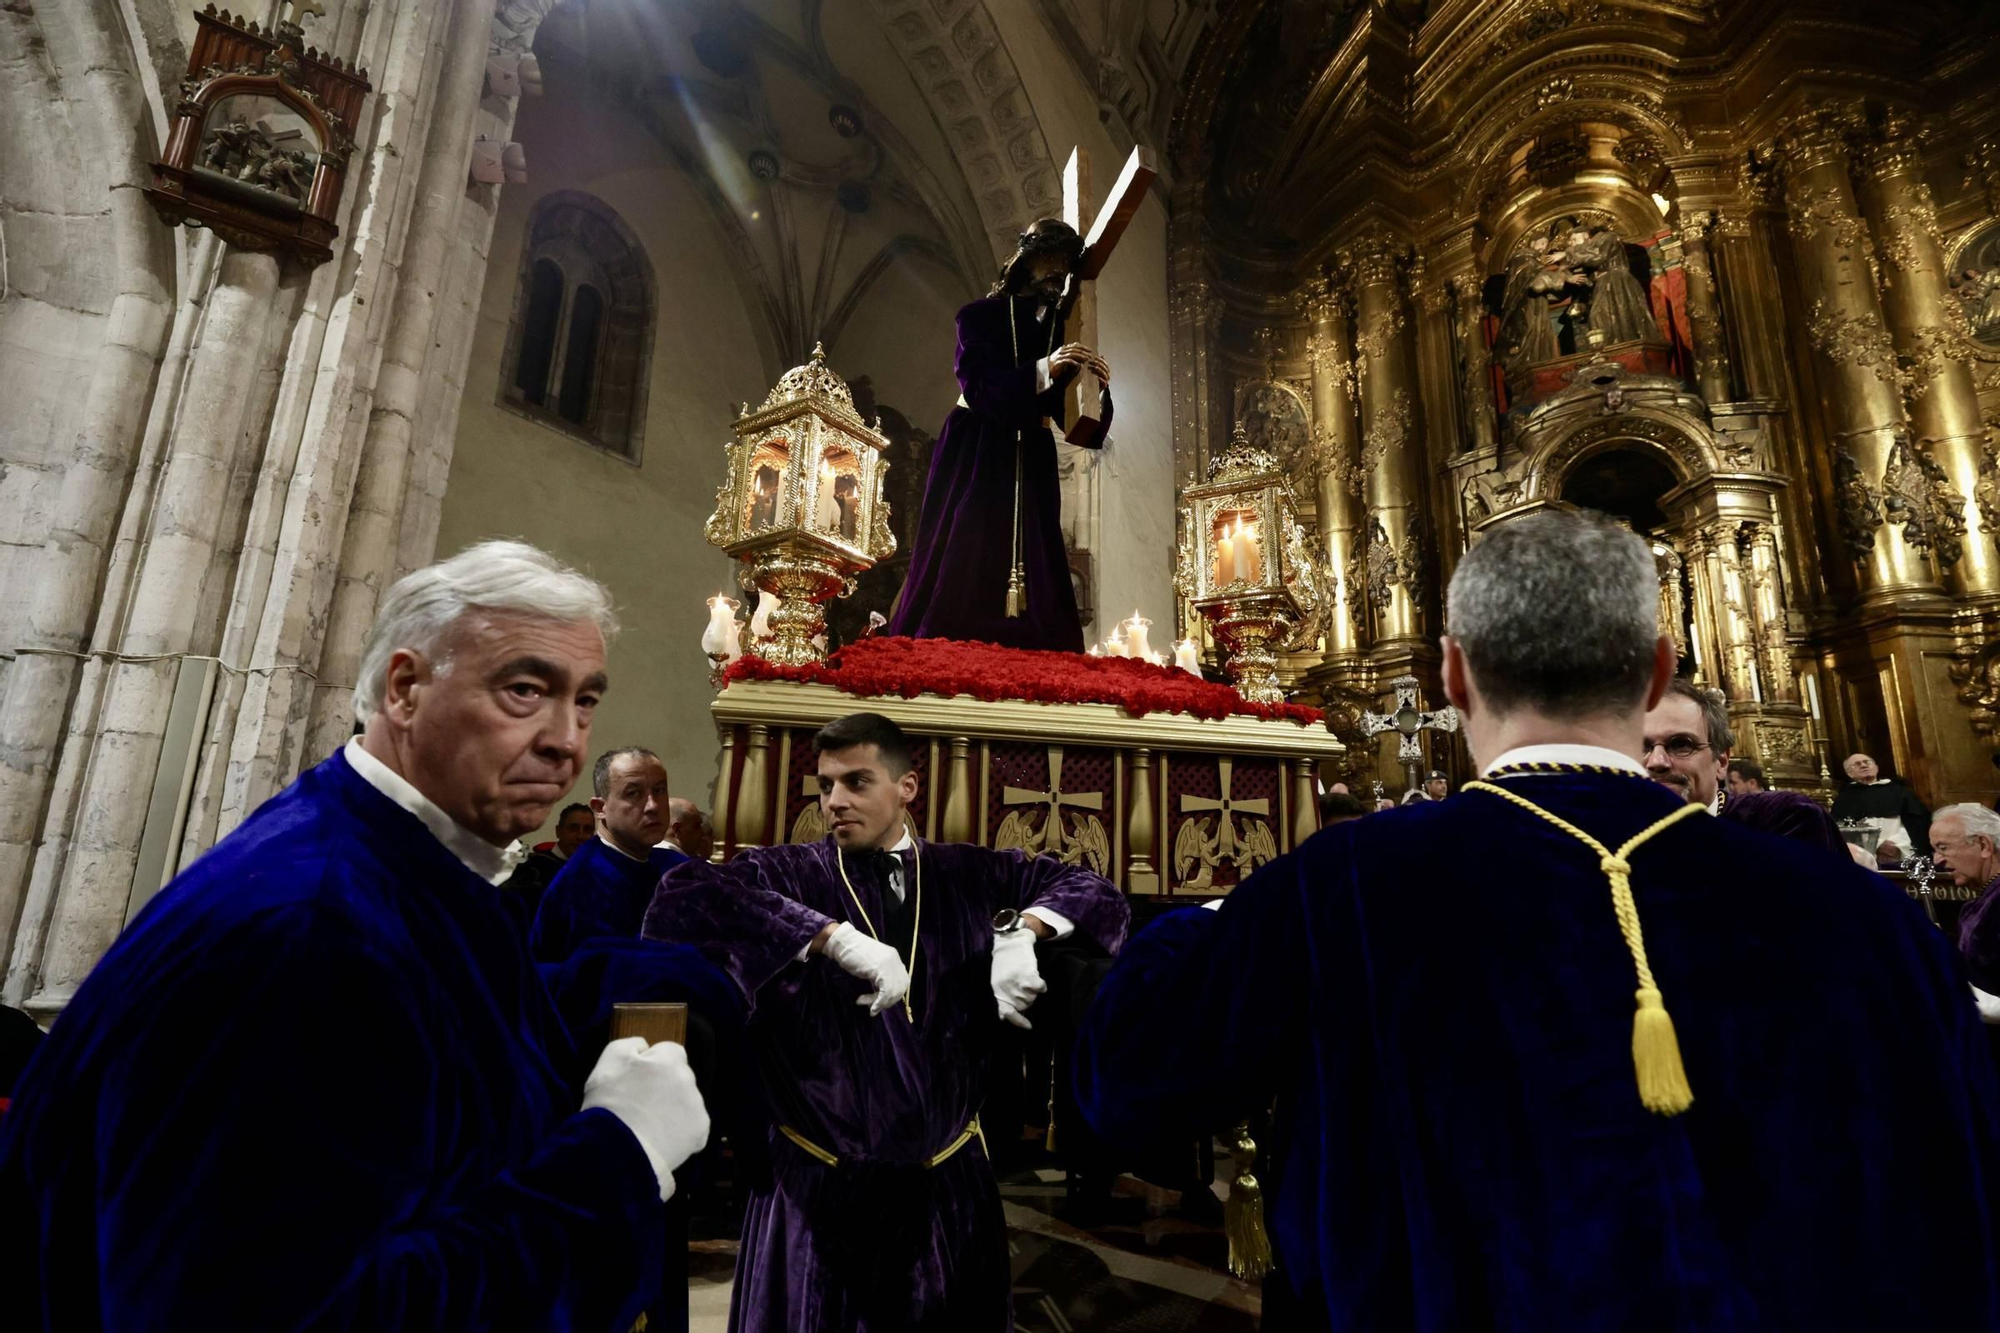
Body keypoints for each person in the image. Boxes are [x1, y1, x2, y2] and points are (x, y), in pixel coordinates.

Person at [1073, 510, 2000, 1330]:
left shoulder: (1342, 888)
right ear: (1656, 673)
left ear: (1453, 671)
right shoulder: (1868, 918)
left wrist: (1207, 922)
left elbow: (1129, 1081)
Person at [0, 540, 714, 1329]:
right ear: (404, 689)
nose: (566, 740)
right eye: (523, 690)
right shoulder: (309, 928)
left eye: (584, 701)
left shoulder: (415, 860)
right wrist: (617, 1155)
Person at [643, 711, 1129, 1331]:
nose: (835, 802)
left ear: (907, 788)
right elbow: (681, 899)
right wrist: (827, 936)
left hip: (946, 1188)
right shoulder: (786, 873)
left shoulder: (969, 874)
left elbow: (1095, 890)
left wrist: (1020, 933)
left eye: (857, 782)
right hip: (816, 1192)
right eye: (825, 786)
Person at [886, 218, 1113, 651]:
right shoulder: (978, 318)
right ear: (1027, 258)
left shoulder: (1057, 330)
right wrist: (1046, 368)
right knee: (969, 537)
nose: (1059, 271)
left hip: (1031, 449)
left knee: (1040, 546)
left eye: (1066, 263)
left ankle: (1036, 642)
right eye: (1051, 258)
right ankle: (950, 640)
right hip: (978, 445)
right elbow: (980, 388)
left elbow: (1075, 425)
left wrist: (1098, 392)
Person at [531, 748, 689, 964]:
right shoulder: (584, 883)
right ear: (600, 808)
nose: (653, 806)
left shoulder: (673, 866)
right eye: (633, 793)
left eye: (659, 790)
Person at [499, 799, 596, 928]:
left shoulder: (598, 871)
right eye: (573, 828)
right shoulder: (531, 870)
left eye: (588, 830)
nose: (580, 836)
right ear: (558, 831)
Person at [1642, 677, 1732, 812]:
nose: (1656, 762)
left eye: (1680, 745)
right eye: (1641, 746)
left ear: (1721, 762)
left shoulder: (1763, 824)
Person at [1832, 751, 1932, 864]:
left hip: (1903, 852)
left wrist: (1898, 846)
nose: (1864, 765)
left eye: (1867, 762)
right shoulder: (1844, 798)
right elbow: (1842, 831)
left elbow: (1917, 823)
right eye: (1857, 764)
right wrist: (1878, 845)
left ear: (1876, 767)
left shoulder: (1900, 792)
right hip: (1864, 855)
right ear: (1849, 773)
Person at [662, 795, 714, 862]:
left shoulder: (646, 861)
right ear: (677, 830)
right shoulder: (689, 869)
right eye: (696, 826)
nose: (702, 833)